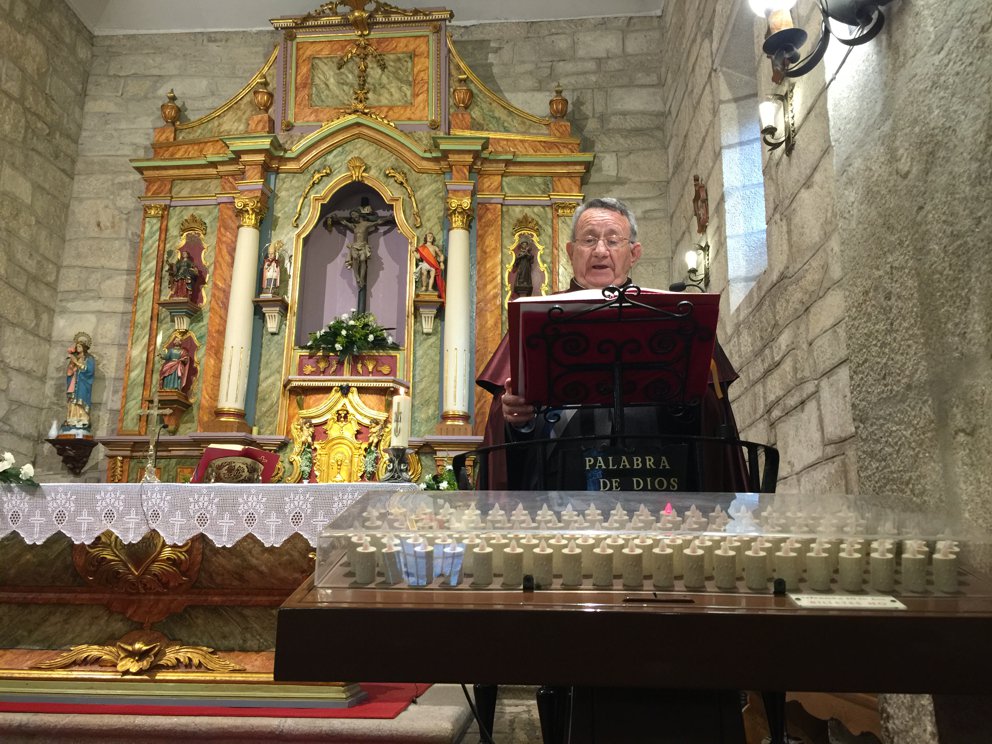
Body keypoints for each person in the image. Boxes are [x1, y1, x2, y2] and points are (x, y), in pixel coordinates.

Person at [476, 196, 747, 492]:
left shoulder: (677, 315)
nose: (600, 251)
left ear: (634, 253)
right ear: (571, 251)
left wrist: (684, 404)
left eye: (613, 240)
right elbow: (505, 425)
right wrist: (518, 420)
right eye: (589, 240)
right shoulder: (536, 317)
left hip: (657, 481)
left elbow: (709, 415)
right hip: (560, 487)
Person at [63, 332, 95, 432]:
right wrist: (71, 365)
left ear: (84, 347)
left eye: (80, 346)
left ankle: (82, 419)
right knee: (72, 400)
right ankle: (72, 419)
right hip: (74, 382)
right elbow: (70, 372)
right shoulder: (75, 357)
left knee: (80, 400)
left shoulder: (89, 359)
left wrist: (76, 363)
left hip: (83, 383)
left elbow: (89, 371)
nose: (78, 348)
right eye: (77, 347)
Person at [414, 232, 445, 298]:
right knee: (424, 274)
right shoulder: (422, 247)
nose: (430, 237)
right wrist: (413, 251)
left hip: (433, 264)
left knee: (432, 276)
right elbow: (418, 257)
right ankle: (424, 287)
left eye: (431, 236)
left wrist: (441, 262)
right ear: (426, 238)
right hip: (425, 263)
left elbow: (441, 255)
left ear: (433, 238)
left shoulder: (434, 247)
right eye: (428, 236)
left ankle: (430, 288)